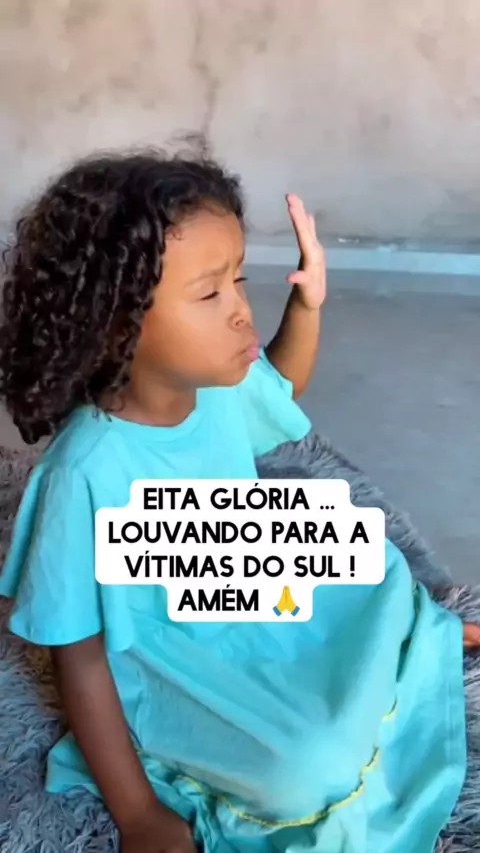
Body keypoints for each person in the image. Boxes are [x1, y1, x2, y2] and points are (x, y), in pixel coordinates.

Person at [0, 151, 478, 853]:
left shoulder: (213, 384)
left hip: (241, 573)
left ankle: (416, 634)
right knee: (305, 766)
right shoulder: (85, 473)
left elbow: (282, 383)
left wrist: (307, 304)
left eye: (239, 280)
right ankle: (395, 652)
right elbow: (80, 655)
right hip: (175, 654)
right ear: (118, 325)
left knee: (366, 554)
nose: (239, 312)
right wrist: (137, 814)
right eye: (209, 294)